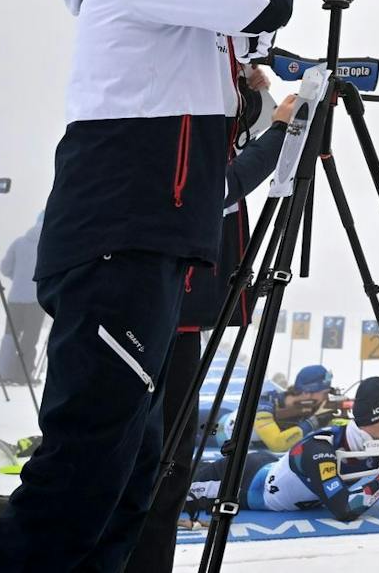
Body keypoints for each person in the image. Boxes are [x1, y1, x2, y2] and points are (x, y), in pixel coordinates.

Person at [0, 0, 293, 572]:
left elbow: (247, 57)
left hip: (148, 244)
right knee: (85, 465)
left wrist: (257, 97)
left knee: (131, 470)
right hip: (120, 241)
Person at [125, 76, 296, 573]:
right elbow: (218, 187)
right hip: (158, 311)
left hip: (176, 313)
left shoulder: (186, 112)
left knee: (169, 463)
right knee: (155, 463)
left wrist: (256, 97)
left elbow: (233, 146)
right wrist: (280, 134)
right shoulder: (166, 121)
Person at [185, 378, 379, 521]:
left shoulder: (376, 448)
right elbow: (345, 510)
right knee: (165, 493)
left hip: (266, 467)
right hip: (240, 482)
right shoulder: (320, 448)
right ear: (378, 417)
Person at [0, 211, 44, 385]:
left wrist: (17, 278)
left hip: (15, 298)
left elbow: (5, 267)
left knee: (10, 335)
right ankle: (22, 374)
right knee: (30, 337)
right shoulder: (50, 244)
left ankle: (4, 373)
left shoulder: (19, 242)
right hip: (37, 299)